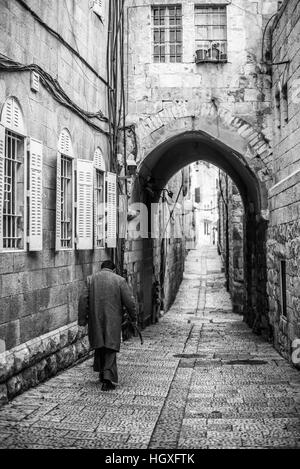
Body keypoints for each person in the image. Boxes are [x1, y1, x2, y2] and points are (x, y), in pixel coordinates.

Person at [78, 260, 137, 391]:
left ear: (102, 268)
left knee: (100, 345)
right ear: (114, 270)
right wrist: (134, 317)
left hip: (95, 319)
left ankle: (101, 372)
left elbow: (83, 300)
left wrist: (82, 320)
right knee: (110, 347)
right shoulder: (119, 280)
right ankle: (107, 379)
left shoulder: (91, 279)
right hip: (113, 320)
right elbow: (129, 301)